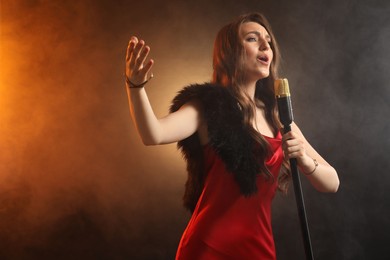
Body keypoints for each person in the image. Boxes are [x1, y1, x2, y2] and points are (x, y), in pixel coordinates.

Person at [125, 12, 339, 260]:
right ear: (230, 53)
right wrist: (135, 87)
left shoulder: (277, 117)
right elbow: (153, 133)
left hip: (259, 249)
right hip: (208, 248)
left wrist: (304, 159)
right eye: (252, 38)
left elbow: (332, 182)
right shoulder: (208, 106)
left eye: (268, 41)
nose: (265, 45)